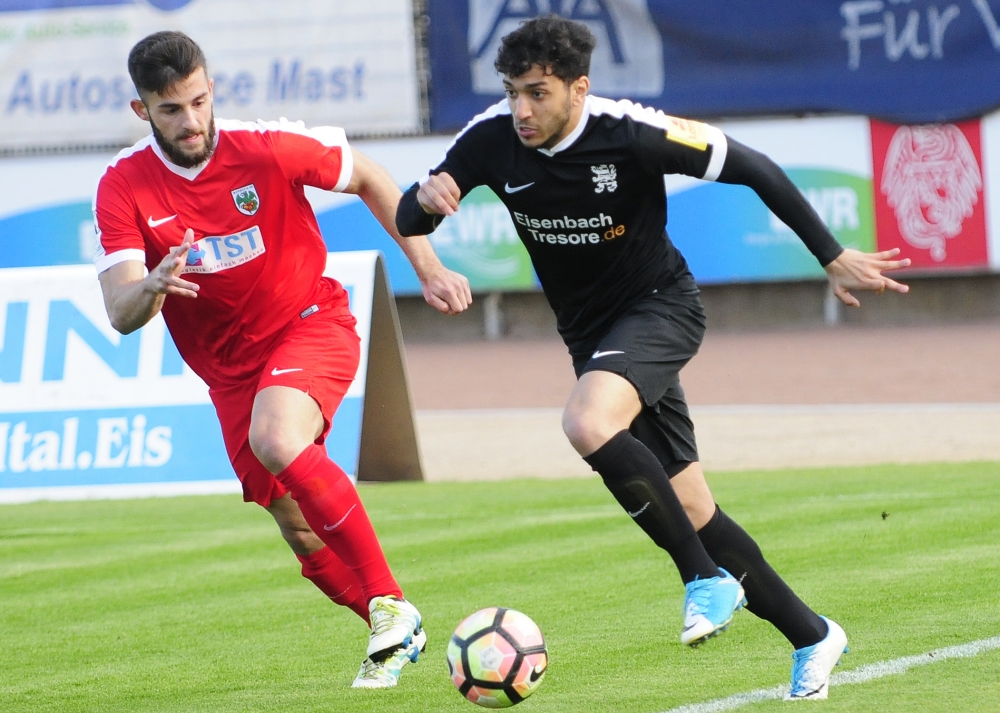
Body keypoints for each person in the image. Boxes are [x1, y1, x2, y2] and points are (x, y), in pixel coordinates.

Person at [396, 15, 910, 700]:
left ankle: (702, 578)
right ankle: (812, 634)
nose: (522, 109)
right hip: (591, 337)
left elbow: (753, 166)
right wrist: (425, 201)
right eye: (513, 92)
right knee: (692, 507)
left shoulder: (631, 132)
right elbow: (410, 218)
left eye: (538, 93)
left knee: (587, 422)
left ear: (578, 89)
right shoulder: (491, 138)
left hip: (661, 308)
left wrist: (831, 254)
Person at [93, 31, 471, 689]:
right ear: (141, 110)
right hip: (228, 373)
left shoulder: (265, 145)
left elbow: (368, 175)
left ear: (212, 90)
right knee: (299, 528)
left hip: (310, 322)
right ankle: (391, 626)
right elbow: (121, 312)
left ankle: (389, 602)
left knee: (275, 437)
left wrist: (429, 266)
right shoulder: (123, 185)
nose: (191, 121)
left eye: (199, 102)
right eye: (171, 109)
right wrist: (149, 286)